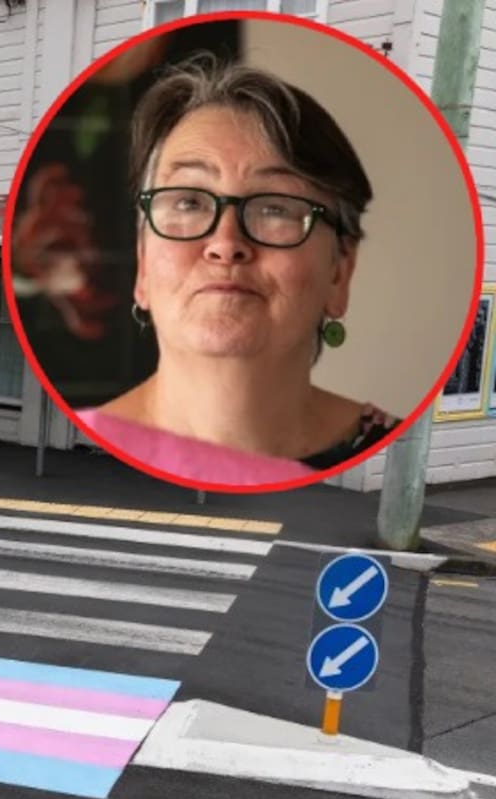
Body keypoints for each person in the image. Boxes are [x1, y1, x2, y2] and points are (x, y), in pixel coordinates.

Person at [73, 53, 399, 486]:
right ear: (144, 266)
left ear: (340, 271)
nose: (226, 245)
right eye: (188, 201)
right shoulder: (94, 433)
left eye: (275, 208)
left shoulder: (379, 436)